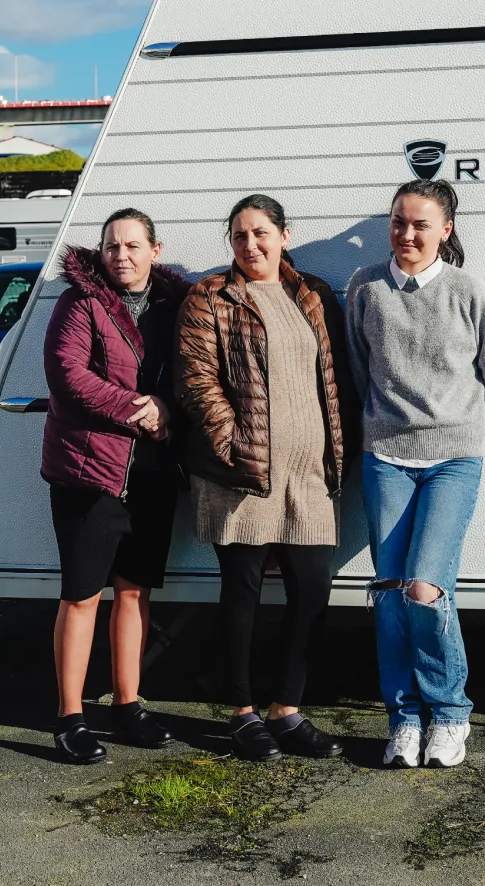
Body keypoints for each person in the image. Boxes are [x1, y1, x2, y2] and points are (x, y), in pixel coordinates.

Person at [174, 194, 351, 762]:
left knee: (313, 591)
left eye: (260, 233)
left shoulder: (312, 295)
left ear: (284, 235)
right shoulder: (210, 296)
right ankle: (242, 711)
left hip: (308, 475)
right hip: (242, 475)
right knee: (243, 594)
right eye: (239, 236)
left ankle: (287, 709)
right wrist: (234, 444)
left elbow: (335, 377)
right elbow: (195, 378)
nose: (250, 245)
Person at [346, 177, 485, 769]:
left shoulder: (467, 290)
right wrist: (386, 428)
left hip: (453, 461)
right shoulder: (365, 289)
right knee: (390, 597)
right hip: (385, 459)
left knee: (425, 588)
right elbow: (360, 372)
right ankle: (405, 719)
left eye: (420, 224)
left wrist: (456, 432)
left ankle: (449, 714)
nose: (407, 233)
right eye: (398, 221)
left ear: (445, 229)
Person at [39, 207, 191, 764]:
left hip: (152, 472)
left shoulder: (176, 306)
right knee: (81, 596)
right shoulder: (79, 302)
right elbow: (67, 373)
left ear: (155, 249)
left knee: (134, 590)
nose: (120, 256)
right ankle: (70, 716)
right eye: (111, 247)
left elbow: (192, 374)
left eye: (132, 246)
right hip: (89, 472)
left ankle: (127, 705)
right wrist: (139, 410)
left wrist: (167, 406)